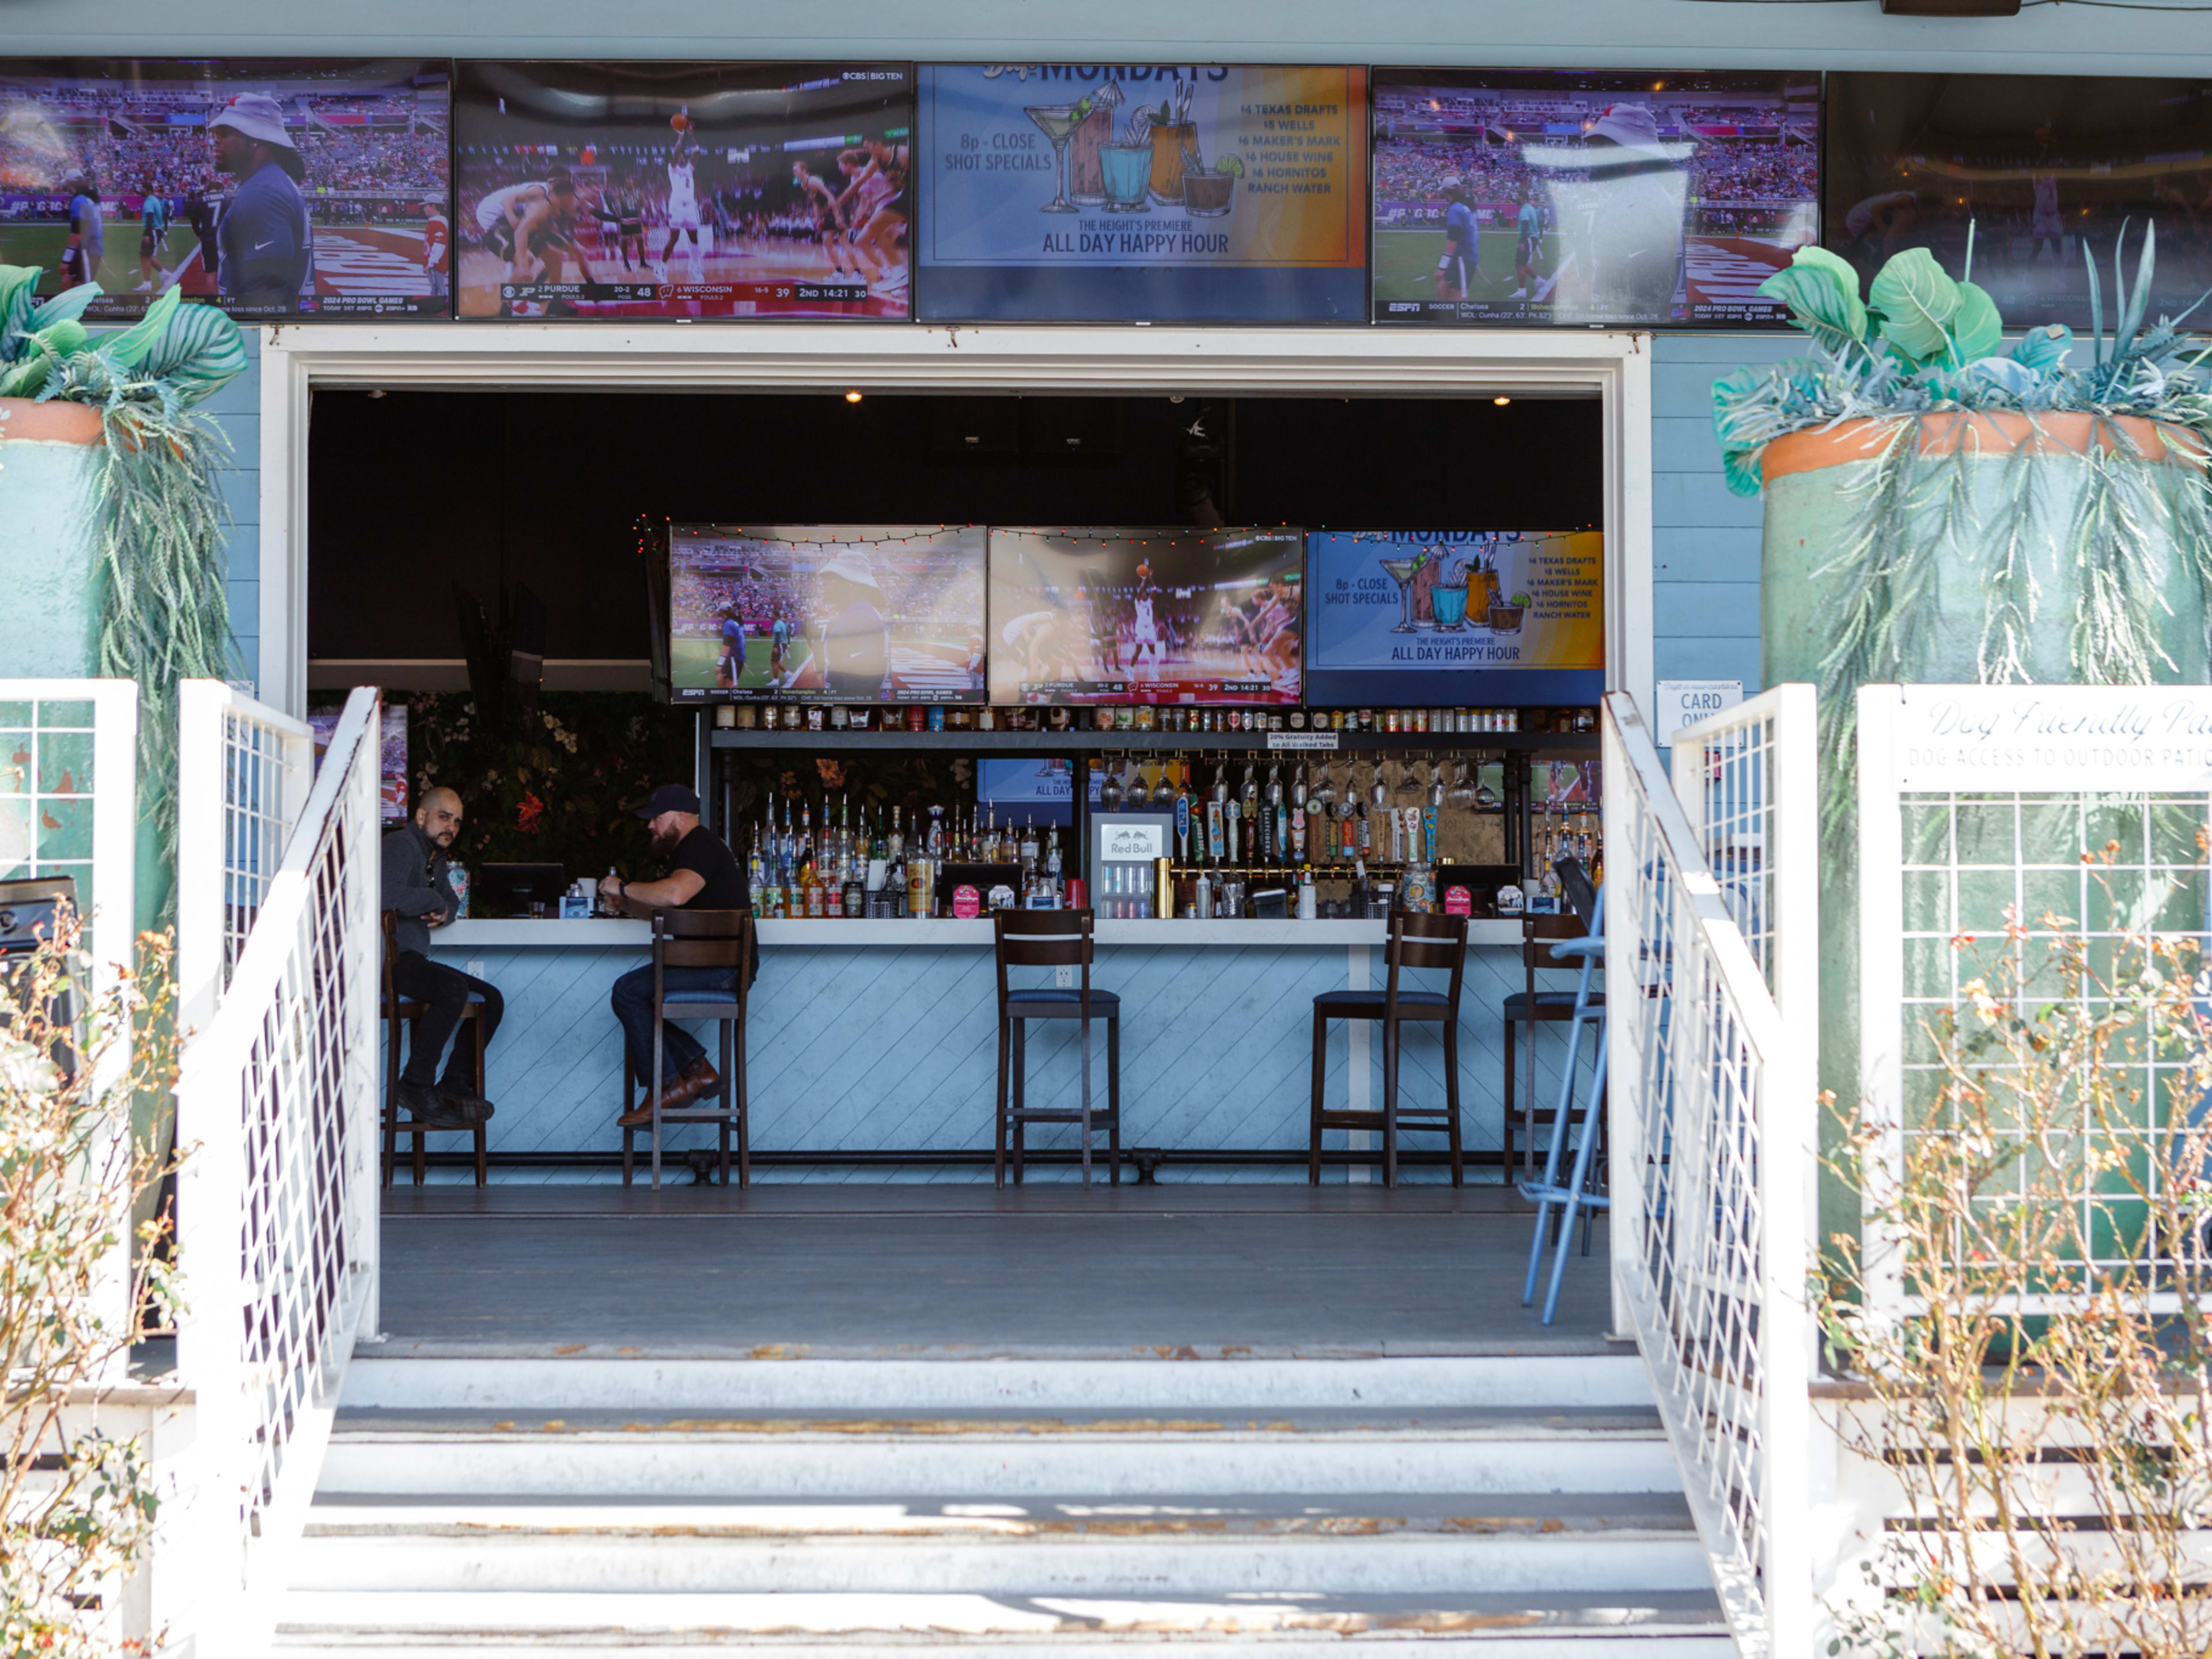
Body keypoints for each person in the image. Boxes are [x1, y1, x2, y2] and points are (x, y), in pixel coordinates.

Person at [600, 785, 755, 1126]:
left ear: (680, 817)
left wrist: (622, 887)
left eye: (656, 818)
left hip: (721, 971)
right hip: (719, 968)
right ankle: (696, 1070)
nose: (650, 826)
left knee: (628, 992)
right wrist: (626, 905)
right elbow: (669, 908)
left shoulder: (698, 844)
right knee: (636, 996)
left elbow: (675, 895)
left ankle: (667, 1086)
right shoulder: (693, 850)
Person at [381, 786, 502, 1130]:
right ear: (421, 817)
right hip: (386, 963)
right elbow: (385, 894)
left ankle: (452, 1084)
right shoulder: (400, 846)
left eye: (457, 822)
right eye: (444, 817)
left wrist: (442, 910)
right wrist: (433, 902)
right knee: (452, 990)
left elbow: (450, 904)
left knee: (491, 1000)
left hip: (410, 960)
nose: (451, 826)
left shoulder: (436, 858)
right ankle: (416, 1084)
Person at [210, 93, 312, 313]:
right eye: (216, 133)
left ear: (256, 140)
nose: (216, 139)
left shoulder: (261, 192)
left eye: (225, 132)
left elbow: (267, 301)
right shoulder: (270, 181)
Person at [816, 548, 891, 701]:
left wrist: (842, 707)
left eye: (830, 578)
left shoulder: (856, 617)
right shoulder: (859, 610)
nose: (824, 584)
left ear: (850, 583)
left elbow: (862, 680)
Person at [1434, 174, 1476, 303]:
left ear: (1446, 191)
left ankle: (1460, 320)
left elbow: (1453, 239)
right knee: (1444, 286)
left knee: (1459, 294)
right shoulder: (1462, 206)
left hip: (1463, 257)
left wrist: (1442, 267)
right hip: (1461, 256)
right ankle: (1448, 315)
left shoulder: (1455, 209)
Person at [57, 179, 102, 291]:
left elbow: (77, 233)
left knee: (80, 285)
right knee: (72, 280)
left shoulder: (78, 200)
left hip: (86, 248)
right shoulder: (89, 199)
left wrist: (66, 260)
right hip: (90, 246)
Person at [135, 191, 169, 292]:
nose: (141, 191)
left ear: (148, 191)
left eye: (143, 189)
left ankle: (147, 284)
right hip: (156, 230)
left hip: (153, 230)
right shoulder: (155, 200)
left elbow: (150, 215)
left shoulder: (149, 201)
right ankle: (164, 273)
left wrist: (147, 233)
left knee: (145, 257)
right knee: (147, 256)